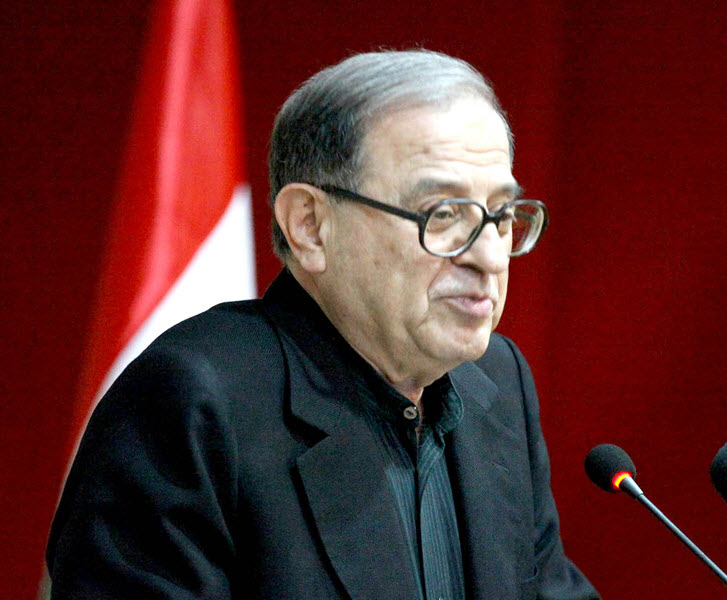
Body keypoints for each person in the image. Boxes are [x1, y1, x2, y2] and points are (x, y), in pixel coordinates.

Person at [47, 50, 599, 600]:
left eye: (501, 216)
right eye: (443, 215)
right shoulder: (192, 403)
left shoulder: (497, 384)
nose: (491, 257)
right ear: (310, 226)